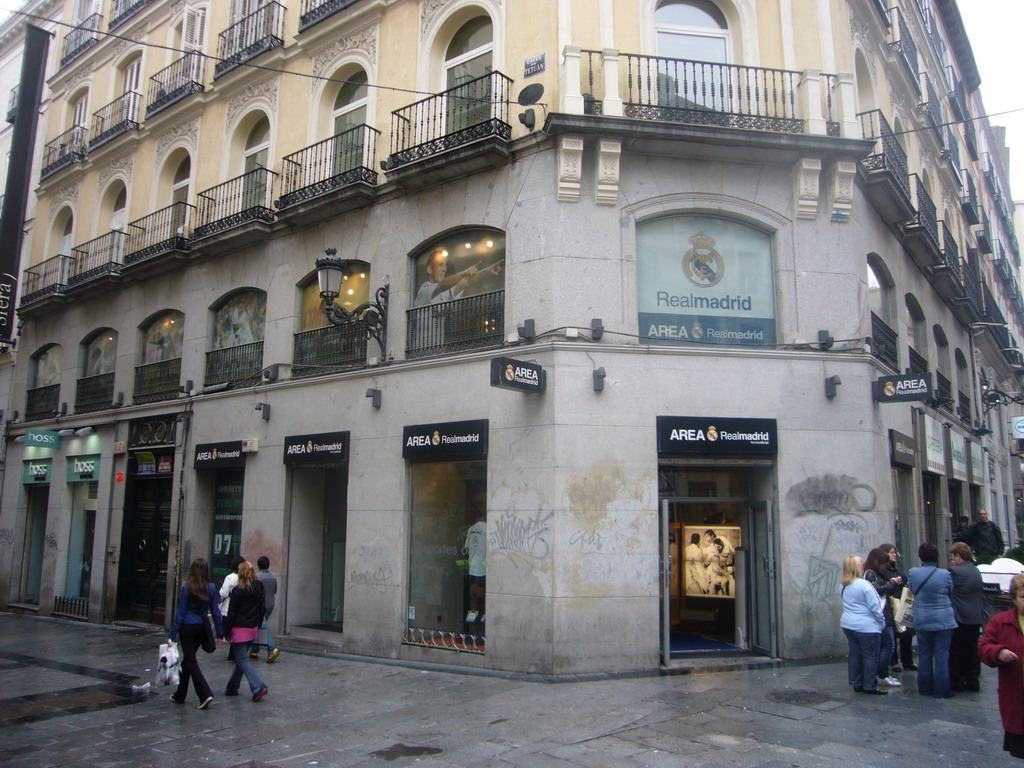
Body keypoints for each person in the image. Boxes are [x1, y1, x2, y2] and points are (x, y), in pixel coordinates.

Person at [167, 558, 225, 709]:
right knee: (188, 660)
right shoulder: (211, 588)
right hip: (201, 627)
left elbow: (180, 613)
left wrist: (172, 635)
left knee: (191, 661)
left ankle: (204, 693)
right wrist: (220, 632)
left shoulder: (187, 588)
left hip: (187, 627)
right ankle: (180, 694)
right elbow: (216, 612)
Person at [979, 573, 1024, 760]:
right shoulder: (1001, 622)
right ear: (1013, 598)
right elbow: (983, 646)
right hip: (1017, 697)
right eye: (1023, 597)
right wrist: (998, 652)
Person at [908, 542, 957, 698]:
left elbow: (911, 590)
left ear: (920, 556)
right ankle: (942, 690)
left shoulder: (913, 573)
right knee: (942, 654)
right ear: (936, 556)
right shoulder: (945, 574)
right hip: (943, 618)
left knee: (924, 653)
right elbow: (950, 592)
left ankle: (925, 688)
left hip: (922, 618)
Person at [839, 554, 886, 695]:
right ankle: (870, 684)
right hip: (867, 626)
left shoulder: (843, 585)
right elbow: (875, 607)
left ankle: (857, 682)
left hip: (848, 624)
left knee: (855, 653)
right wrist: (881, 622)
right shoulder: (864, 584)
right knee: (870, 656)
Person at [224, 560, 269, 702]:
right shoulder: (258, 587)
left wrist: (226, 631)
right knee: (241, 659)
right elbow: (262, 607)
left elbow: (232, 613)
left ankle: (258, 686)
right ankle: (232, 687)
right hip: (252, 628)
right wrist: (259, 622)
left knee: (242, 660)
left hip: (239, 628)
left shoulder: (237, 591)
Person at [947, 541, 986, 692]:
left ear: (958, 556)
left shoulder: (955, 572)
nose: (952, 561)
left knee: (956, 650)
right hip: (975, 616)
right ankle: (973, 680)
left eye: (953, 557)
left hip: (960, 616)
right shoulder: (976, 570)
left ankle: (956, 682)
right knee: (972, 649)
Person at [862, 547, 903, 687]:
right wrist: (891, 583)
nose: (885, 566)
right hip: (880, 613)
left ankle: (882, 673)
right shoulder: (870, 574)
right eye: (883, 563)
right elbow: (876, 591)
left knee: (888, 644)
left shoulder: (878, 573)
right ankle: (882, 674)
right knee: (888, 644)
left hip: (884, 612)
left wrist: (892, 583)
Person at [413, 249, 503, 307]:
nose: (444, 269)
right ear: (429, 269)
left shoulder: (443, 293)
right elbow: (441, 285)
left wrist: (486, 271)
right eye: (440, 265)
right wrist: (465, 272)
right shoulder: (424, 289)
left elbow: (468, 281)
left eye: (445, 265)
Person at [879, 543, 917, 672]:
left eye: (895, 552)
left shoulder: (897, 569)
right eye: (891, 552)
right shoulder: (883, 571)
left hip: (903, 602)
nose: (894, 554)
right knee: (894, 634)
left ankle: (908, 660)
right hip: (892, 603)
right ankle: (893, 662)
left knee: (907, 632)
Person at [250, 555, 280, 663]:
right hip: (270, 605)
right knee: (259, 626)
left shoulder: (257, 577)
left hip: (260, 606)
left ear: (258, 565)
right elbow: (275, 591)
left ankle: (272, 648)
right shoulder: (273, 577)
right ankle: (254, 649)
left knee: (262, 626)